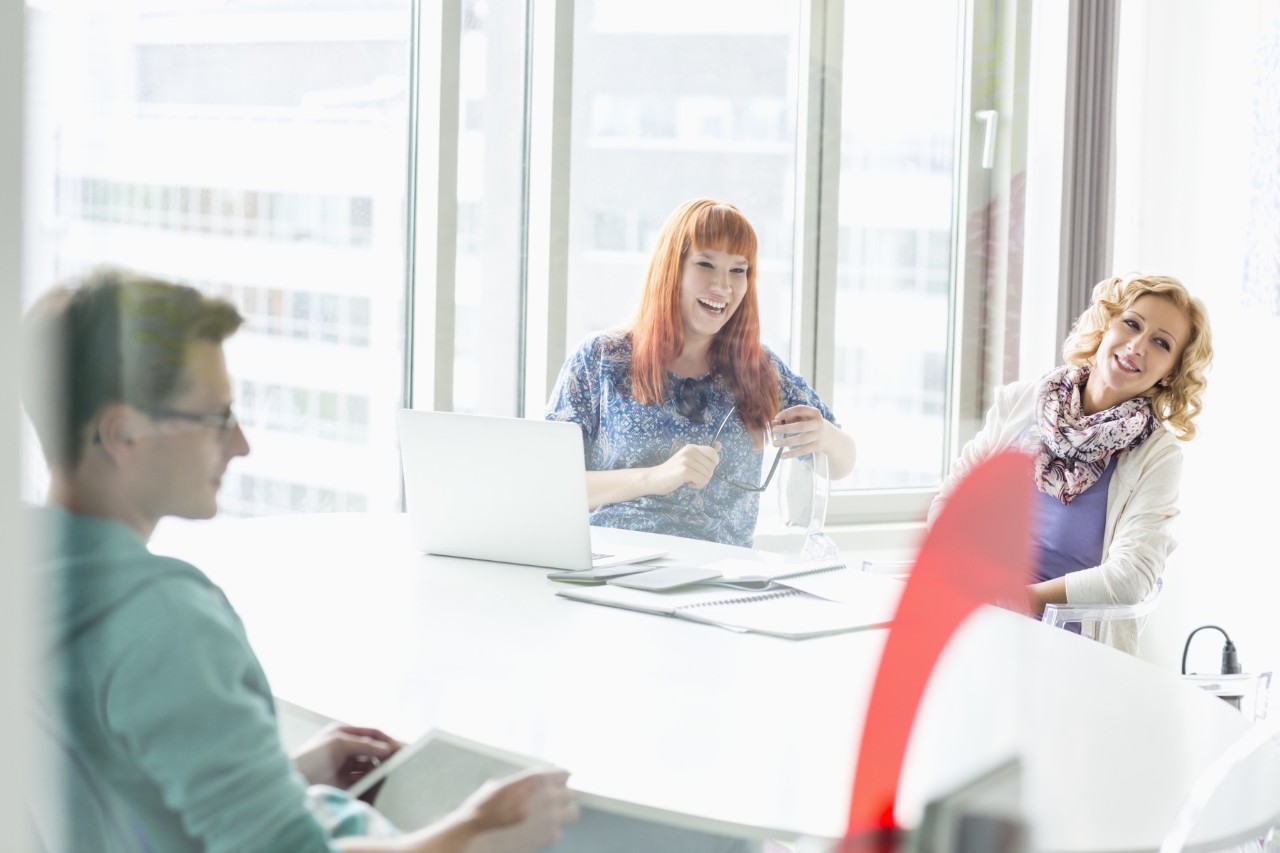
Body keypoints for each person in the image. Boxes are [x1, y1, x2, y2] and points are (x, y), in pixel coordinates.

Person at [22, 267, 578, 852]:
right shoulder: (163, 624)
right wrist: (473, 830)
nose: (241, 444)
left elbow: (113, 794)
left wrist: (286, 775)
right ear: (123, 434)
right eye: (216, 418)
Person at [928, 273, 1213, 655]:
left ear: (1171, 373)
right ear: (1105, 325)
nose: (1137, 346)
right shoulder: (1021, 402)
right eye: (1131, 323)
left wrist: (1017, 600)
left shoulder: (1157, 456)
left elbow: (1131, 579)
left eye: (1161, 343)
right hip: (974, 621)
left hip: (1065, 652)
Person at [546, 198, 856, 547]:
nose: (723, 287)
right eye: (706, 264)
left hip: (721, 580)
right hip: (614, 571)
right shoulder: (602, 359)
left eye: (738, 270)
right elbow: (550, 482)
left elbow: (842, 460)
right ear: (672, 268)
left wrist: (824, 436)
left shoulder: (759, 368)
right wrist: (654, 477)